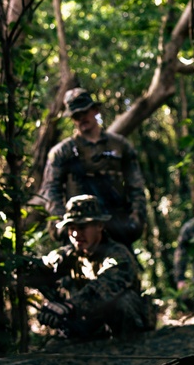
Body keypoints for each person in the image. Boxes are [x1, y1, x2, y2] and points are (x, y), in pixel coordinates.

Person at [33, 194, 153, 339]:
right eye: (71, 228)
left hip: (122, 330)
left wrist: (69, 306)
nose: (76, 234)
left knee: (123, 301)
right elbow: (41, 266)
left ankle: (132, 349)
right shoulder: (69, 254)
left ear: (99, 226)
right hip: (88, 327)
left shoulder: (117, 254)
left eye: (83, 227)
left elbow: (105, 286)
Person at [39, 87, 147, 246]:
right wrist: (64, 223)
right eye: (76, 115)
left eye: (85, 112)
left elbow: (136, 185)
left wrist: (136, 219)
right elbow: (50, 191)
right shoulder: (63, 152)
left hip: (117, 227)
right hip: (80, 232)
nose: (82, 118)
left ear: (95, 110)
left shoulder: (120, 146)